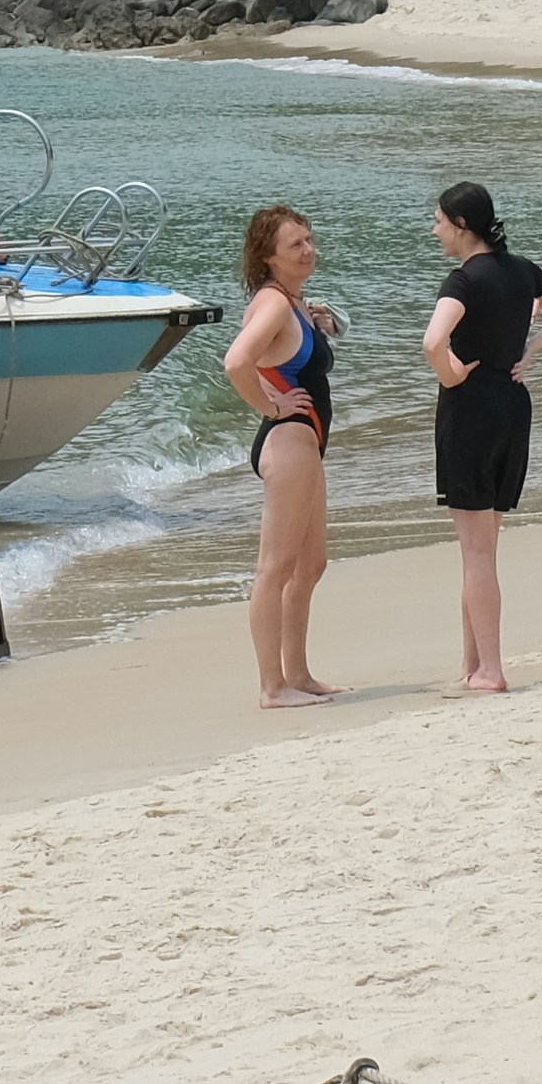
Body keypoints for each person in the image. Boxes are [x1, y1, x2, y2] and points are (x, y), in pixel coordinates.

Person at [419, 180, 542, 693]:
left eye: (440, 221)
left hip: (469, 414)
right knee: (484, 544)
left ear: (462, 226)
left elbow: (431, 341)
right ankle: (473, 661)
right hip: (512, 410)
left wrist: (450, 374)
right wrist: (533, 350)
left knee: (475, 552)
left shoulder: (463, 281)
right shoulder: (521, 271)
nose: (435, 229)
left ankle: (490, 668)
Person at [222, 203, 339, 709]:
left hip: (305, 442)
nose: (308, 250)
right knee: (276, 567)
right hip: (288, 440)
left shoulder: (289, 301)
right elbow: (236, 362)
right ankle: (272, 687)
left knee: (311, 564)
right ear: (267, 257)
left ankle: (299, 674)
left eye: (309, 239)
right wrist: (270, 405)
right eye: (296, 244)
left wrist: (314, 318)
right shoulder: (272, 303)